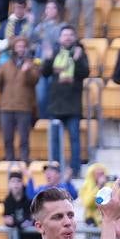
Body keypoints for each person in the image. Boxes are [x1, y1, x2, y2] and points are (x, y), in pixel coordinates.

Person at [42, 25, 89, 176]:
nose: (67, 37)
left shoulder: (79, 52)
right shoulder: (55, 52)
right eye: (64, 35)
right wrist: (48, 59)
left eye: (70, 34)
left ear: (74, 37)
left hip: (73, 104)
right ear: (60, 38)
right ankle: (56, 170)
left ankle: (75, 169)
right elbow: (45, 72)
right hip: (56, 104)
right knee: (54, 140)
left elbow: (85, 73)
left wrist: (76, 60)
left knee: (74, 139)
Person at [0, 35, 39, 163]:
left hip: (24, 107)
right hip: (6, 107)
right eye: (18, 46)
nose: (21, 49)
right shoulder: (5, 65)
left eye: (23, 46)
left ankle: (24, 160)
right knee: (7, 138)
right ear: (13, 48)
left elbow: (34, 81)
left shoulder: (31, 64)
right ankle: (10, 162)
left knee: (24, 138)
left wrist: (27, 71)